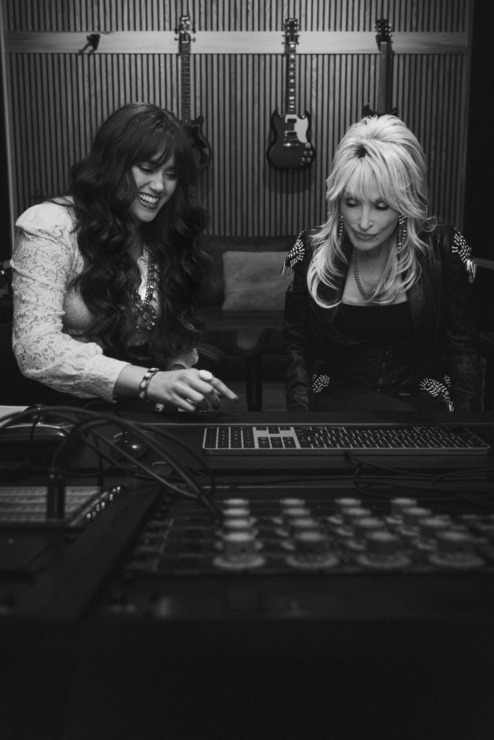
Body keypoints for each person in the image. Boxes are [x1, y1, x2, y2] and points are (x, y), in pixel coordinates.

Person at [11, 102, 238, 412]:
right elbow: (34, 349)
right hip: (66, 415)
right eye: (147, 168)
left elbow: (176, 334)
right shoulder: (52, 224)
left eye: (171, 174)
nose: (159, 186)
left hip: (144, 411)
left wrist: (178, 375)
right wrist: (149, 381)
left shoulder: (163, 233)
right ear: (112, 164)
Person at [283, 115, 482, 413]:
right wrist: (301, 422)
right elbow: (296, 346)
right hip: (335, 403)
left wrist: (464, 428)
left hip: (421, 405)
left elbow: (463, 348)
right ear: (337, 200)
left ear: (404, 204)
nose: (364, 222)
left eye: (381, 206)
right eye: (352, 203)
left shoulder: (442, 248)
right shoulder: (311, 249)